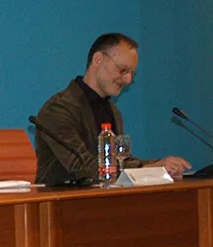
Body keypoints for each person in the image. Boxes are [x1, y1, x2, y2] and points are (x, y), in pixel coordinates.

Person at [33, 32, 189, 186]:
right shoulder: (59, 109)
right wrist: (147, 168)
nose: (128, 80)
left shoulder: (112, 109)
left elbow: (120, 161)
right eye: (123, 70)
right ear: (98, 59)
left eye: (132, 74)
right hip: (62, 202)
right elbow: (82, 166)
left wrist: (158, 166)